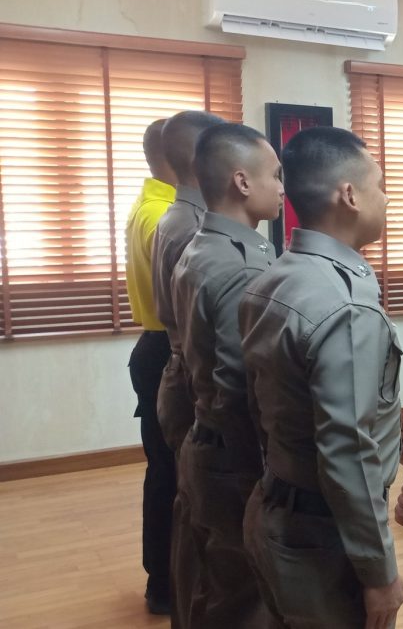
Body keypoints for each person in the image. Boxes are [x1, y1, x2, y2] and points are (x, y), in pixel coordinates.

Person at [240, 126, 403, 628]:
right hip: (322, 535)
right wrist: (379, 572)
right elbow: (348, 448)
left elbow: (258, 403)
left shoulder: (275, 276)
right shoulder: (346, 306)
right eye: (380, 185)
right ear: (349, 195)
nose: (387, 197)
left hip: (274, 504)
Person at [171, 123, 282, 626]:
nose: (281, 188)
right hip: (232, 456)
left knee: (212, 581)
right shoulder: (242, 268)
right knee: (241, 596)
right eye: (274, 175)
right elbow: (243, 388)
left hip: (204, 439)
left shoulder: (202, 246)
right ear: (242, 182)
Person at [149, 109, 224, 626]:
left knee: (192, 508)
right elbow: (201, 335)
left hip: (182, 371)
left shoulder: (178, 217)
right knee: (201, 516)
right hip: (195, 382)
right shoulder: (193, 229)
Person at [124, 119, 177, 616]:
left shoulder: (149, 205)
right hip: (167, 351)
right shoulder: (165, 217)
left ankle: (162, 579)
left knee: (165, 470)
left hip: (154, 348)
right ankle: (165, 581)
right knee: (173, 473)